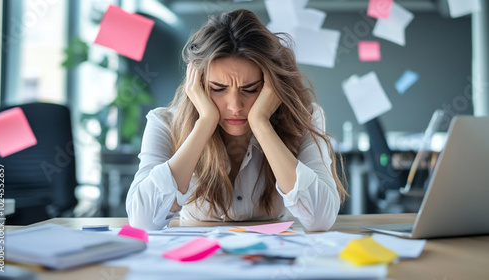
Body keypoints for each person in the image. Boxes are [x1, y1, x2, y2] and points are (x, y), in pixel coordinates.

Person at [126, 9, 347, 232]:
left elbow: (320, 219)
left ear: (271, 88)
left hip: (271, 256)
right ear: (198, 87)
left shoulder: (304, 117)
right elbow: (142, 221)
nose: (234, 106)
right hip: (199, 257)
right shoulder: (164, 123)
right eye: (218, 89)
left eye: (250, 90)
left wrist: (262, 124)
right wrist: (205, 123)